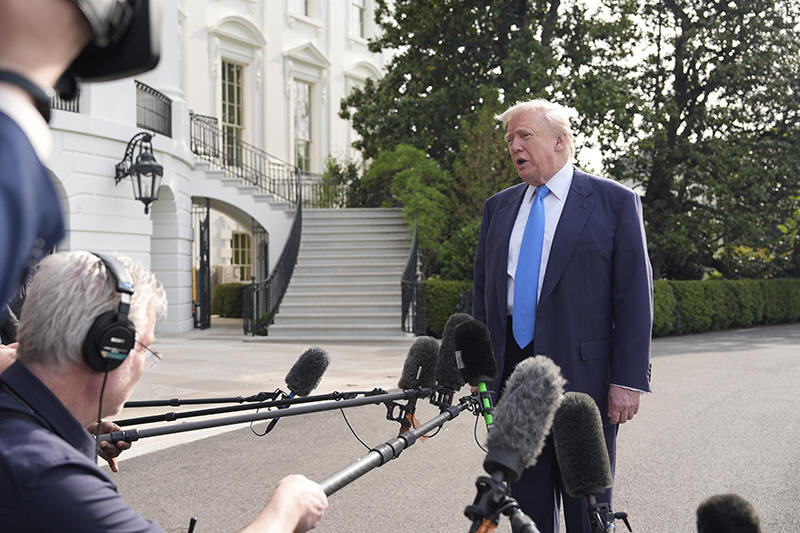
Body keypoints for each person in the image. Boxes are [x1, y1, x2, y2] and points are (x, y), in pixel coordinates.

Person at [0, 251, 328, 532]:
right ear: (109, 349)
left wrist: (76, 429)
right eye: (145, 349)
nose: (144, 365)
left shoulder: (22, 423)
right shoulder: (51, 477)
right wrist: (289, 507)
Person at [473, 99, 653, 533]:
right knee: (526, 509)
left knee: (587, 510)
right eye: (510, 139)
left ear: (560, 141)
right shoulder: (498, 208)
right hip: (515, 379)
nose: (514, 146)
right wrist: (482, 375)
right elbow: (483, 294)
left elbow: (634, 298)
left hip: (586, 381)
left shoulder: (614, 202)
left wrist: (627, 380)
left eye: (524, 135)